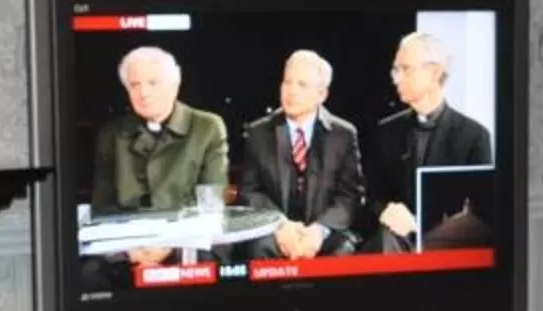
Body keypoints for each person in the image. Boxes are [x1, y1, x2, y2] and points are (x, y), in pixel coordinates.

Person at [90, 45, 228, 271]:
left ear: (174, 87)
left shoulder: (208, 127)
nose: (143, 93)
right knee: (91, 272)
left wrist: (169, 246)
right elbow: (103, 208)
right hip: (129, 245)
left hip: (187, 239)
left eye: (152, 83)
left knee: (206, 262)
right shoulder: (111, 134)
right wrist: (131, 250)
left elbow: (210, 205)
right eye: (135, 85)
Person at [235, 50, 375, 259]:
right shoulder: (258, 133)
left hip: (326, 232)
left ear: (322, 95)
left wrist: (319, 231)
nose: (291, 91)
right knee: (259, 247)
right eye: (287, 82)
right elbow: (249, 192)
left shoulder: (343, 135)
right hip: (275, 231)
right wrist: (280, 225)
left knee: (342, 251)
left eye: (302, 85)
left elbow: (350, 196)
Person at [371, 30, 496, 250]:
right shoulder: (387, 130)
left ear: (435, 72)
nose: (396, 78)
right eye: (395, 70)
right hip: (393, 241)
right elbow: (372, 196)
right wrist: (386, 211)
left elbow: (483, 213)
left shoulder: (474, 136)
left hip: (448, 246)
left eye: (405, 69)